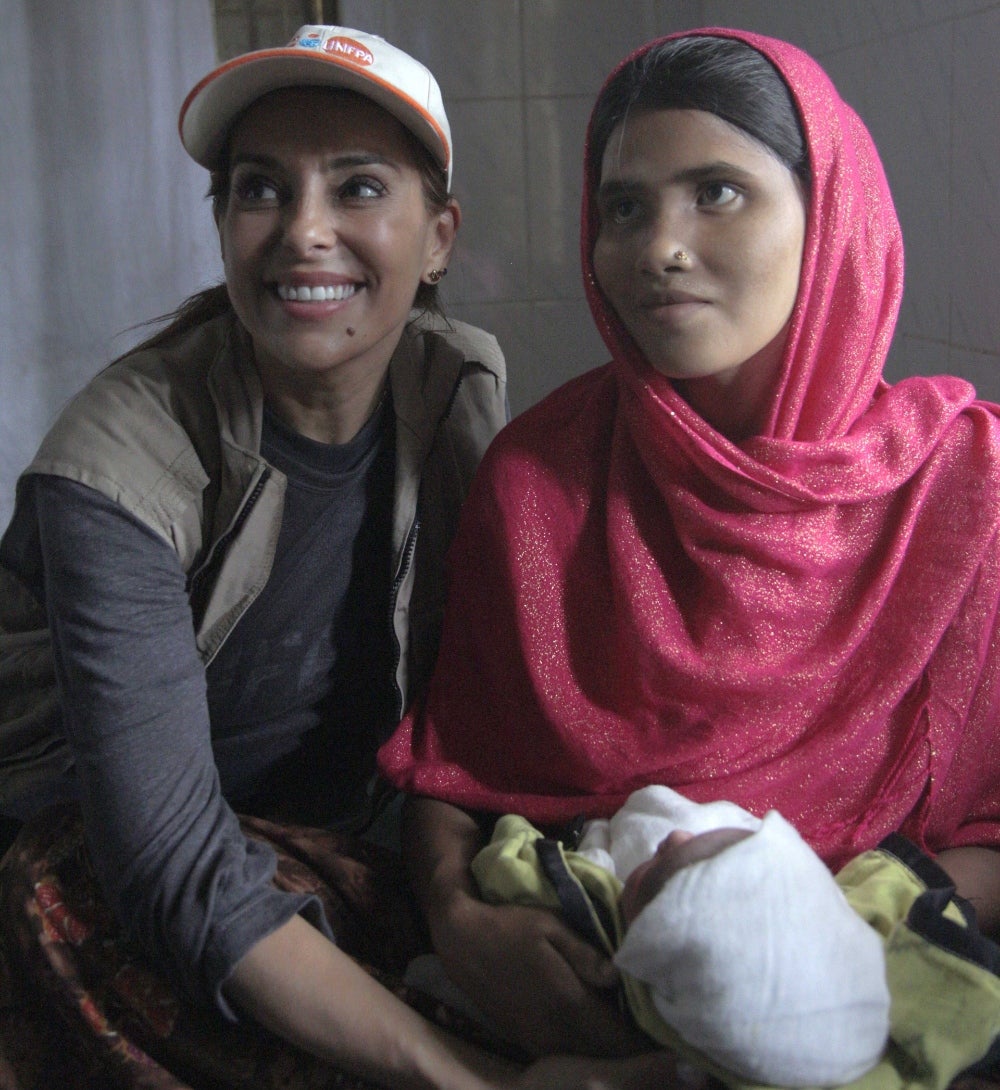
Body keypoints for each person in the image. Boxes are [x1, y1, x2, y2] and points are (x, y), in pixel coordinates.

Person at [378, 25, 1000, 1080]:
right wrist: (458, 920)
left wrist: (812, 945)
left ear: (829, 216)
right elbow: (456, 759)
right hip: (573, 973)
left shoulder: (965, 494)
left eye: (716, 192)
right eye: (623, 206)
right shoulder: (540, 481)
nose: (655, 247)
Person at [0, 23, 610, 1090]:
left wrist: (463, 908)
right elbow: (169, 862)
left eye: (360, 188)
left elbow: (467, 706)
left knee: (592, 908)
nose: (303, 233)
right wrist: (475, 1077)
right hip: (116, 839)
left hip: (341, 826)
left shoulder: (455, 389)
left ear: (439, 238)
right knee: (65, 898)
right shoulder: (116, 465)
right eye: (259, 189)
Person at [471, 786, 891, 1086]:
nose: (675, 835)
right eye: (714, 844)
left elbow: (508, 862)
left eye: (655, 870)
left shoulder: (599, 925)